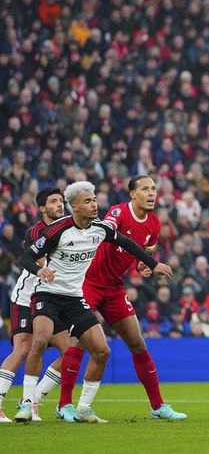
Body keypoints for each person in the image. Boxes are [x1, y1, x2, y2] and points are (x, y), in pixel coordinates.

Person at [14, 181, 172, 424]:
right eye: (88, 201)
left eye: (95, 200)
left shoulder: (99, 229)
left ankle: (84, 408)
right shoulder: (58, 230)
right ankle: (28, 403)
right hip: (48, 294)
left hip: (76, 297)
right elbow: (25, 257)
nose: (94, 205)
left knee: (102, 350)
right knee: (40, 341)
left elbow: (127, 244)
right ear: (74, 206)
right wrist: (39, 271)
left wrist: (152, 264)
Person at [57, 175, 186, 421]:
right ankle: (64, 405)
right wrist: (151, 262)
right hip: (88, 283)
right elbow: (107, 233)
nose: (152, 193)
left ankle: (158, 406)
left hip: (114, 288)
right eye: (145, 189)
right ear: (132, 194)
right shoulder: (117, 213)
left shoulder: (154, 224)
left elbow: (142, 254)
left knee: (137, 343)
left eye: (154, 189)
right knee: (80, 342)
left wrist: (142, 266)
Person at [0, 188, 69, 422]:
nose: (60, 204)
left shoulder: (71, 229)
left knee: (71, 351)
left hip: (55, 298)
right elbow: (41, 260)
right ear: (42, 208)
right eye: (53, 201)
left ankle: (32, 400)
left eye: (61, 201)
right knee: (23, 350)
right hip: (27, 297)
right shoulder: (36, 231)